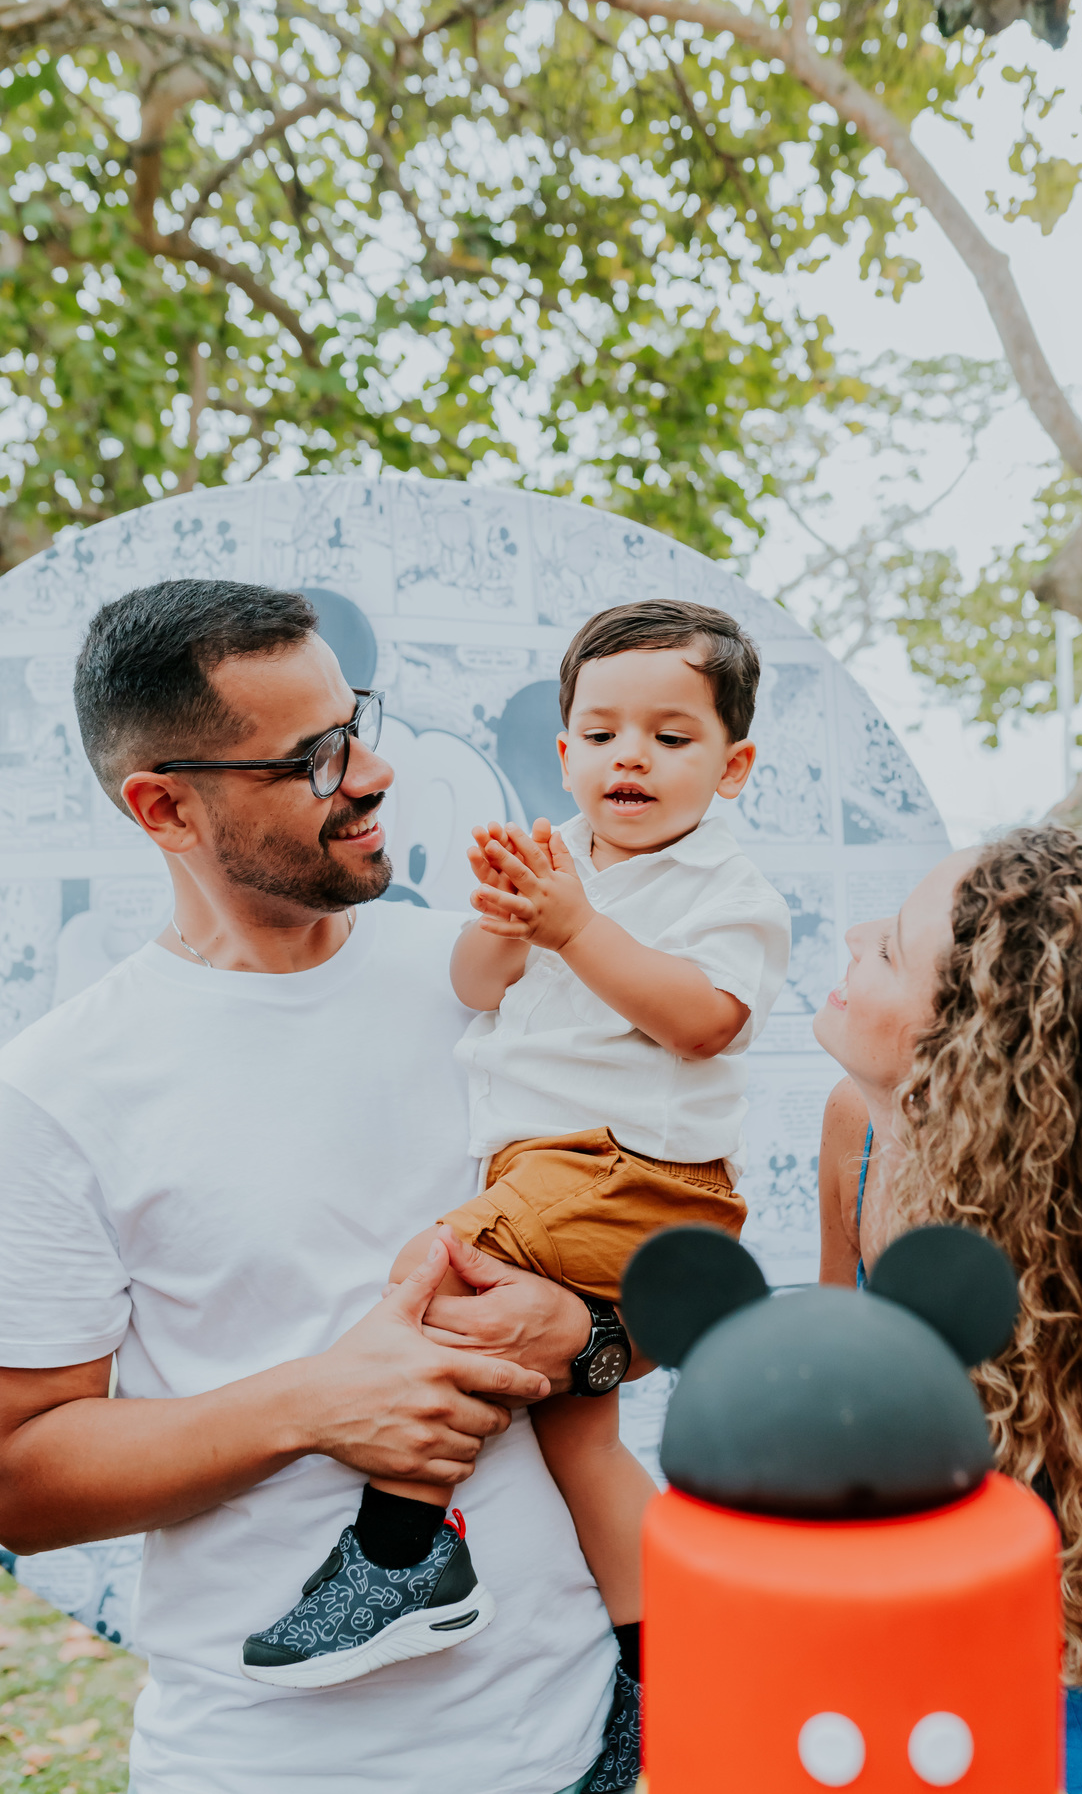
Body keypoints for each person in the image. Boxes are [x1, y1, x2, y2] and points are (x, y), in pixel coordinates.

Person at [0, 577, 626, 1794]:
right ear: (165, 807)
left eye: (360, 721)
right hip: (276, 1762)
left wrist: (588, 1335)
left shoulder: (489, 973)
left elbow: (631, 1291)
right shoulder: (55, 1088)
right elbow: (20, 1476)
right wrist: (316, 1404)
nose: (376, 771)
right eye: (316, 757)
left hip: (572, 1731)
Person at [246, 599, 793, 1696]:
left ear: (732, 769)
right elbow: (472, 987)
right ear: (563, 753)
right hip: (551, 1173)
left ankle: (403, 1556)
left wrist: (576, 929)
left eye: (669, 738)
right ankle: (673, 1679)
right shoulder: (554, 867)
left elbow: (705, 1021)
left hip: (632, 1172)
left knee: (433, 1277)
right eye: (601, 735)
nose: (629, 757)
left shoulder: (722, 886)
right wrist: (507, 921)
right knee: (581, 1443)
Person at [814, 825, 1082, 1794]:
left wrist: (905, 1565)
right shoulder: (855, 1131)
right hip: (886, 1709)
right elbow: (825, 1403)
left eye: (892, 947)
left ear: (965, 1047)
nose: (856, 934)